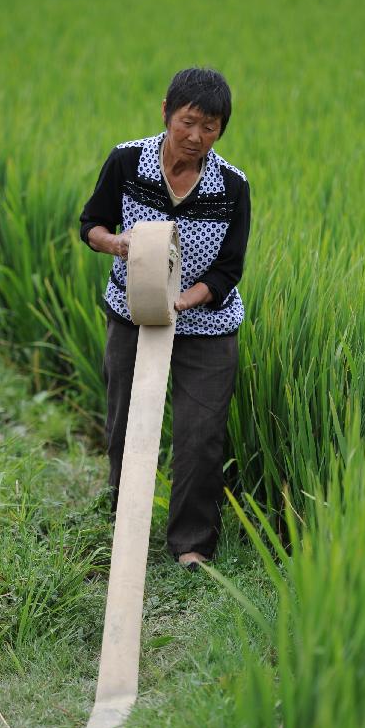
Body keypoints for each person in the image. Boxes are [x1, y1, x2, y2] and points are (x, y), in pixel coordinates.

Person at [79, 67, 251, 568]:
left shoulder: (232, 186)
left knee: (201, 435)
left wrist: (183, 300)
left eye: (211, 126)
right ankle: (124, 521)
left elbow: (229, 268)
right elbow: (91, 224)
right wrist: (118, 244)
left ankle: (191, 545)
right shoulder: (127, 161)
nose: (197, 137)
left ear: (221, 129)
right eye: (188, 122)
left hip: (207, 326)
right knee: (125, 423)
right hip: (132, 313)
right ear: (166, 113)